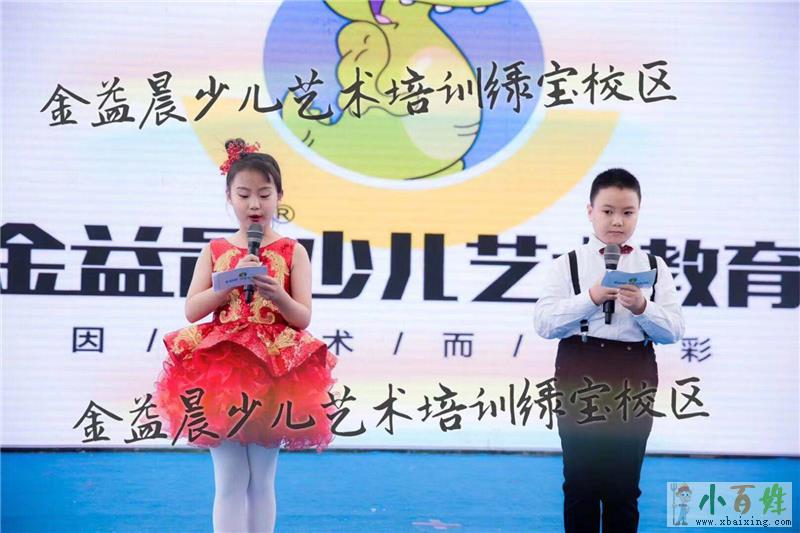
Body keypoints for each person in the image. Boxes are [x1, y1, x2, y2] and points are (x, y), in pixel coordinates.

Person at [153, 138, 337, 533]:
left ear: (279, 196)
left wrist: (278, 295)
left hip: (274, 373)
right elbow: (192, 309)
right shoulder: (215, 249)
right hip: (221, 371)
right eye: (244, 194)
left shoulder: (293, 251)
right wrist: (228, 285)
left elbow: (302, 317)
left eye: (264, 194)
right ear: (229, 197)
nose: (255, 204)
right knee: (230, 479)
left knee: (263, 478)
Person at [533, 168, 685, 532]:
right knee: (580, 483)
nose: (618, 221)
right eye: (608, 211)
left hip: (633, 371)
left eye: (627, 212)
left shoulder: (654, 266)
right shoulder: (568, 263)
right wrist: (591, 297)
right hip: (579, 369)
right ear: (590, 211)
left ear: (638, 212)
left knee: (623, 485)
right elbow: (544, 323)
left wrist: (643, 308)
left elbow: (674, 331)